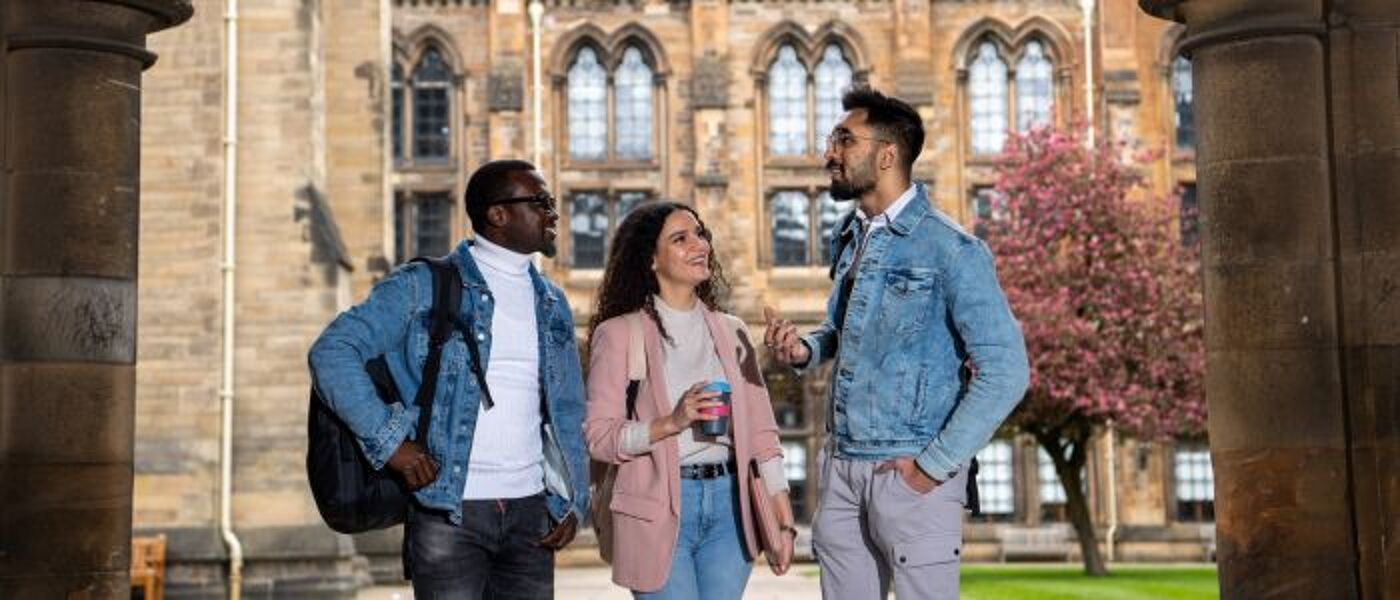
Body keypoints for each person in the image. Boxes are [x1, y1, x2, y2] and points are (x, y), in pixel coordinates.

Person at [764, 86, 1029, 600]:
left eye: (843, 139)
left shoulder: (953, 249)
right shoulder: (852, 234)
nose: (829, 153)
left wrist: (932, 466)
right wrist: (805, 350)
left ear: (887, 154)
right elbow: (847, 330)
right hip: (841, 470)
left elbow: (1007, 371)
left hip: (909, 474)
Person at [308, 159, 589, 599]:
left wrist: (573, 499)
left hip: (531, 513)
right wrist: (391, 444)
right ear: (498, 214)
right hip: (447, 511)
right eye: (541, 202)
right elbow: (333, 351)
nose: (554, 213)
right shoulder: (423, 284)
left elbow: (567, 408)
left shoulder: (551, 301)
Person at [584, 201, 797, 599]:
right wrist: (671, 422)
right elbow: (598, 437)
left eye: (700, 234)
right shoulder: (618, 334)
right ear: (651, 258)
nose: (699, 244)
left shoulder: (733, 332)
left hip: (730, 509)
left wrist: (782, 522)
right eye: (680, 238)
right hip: (654, 509)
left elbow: (764, 436)